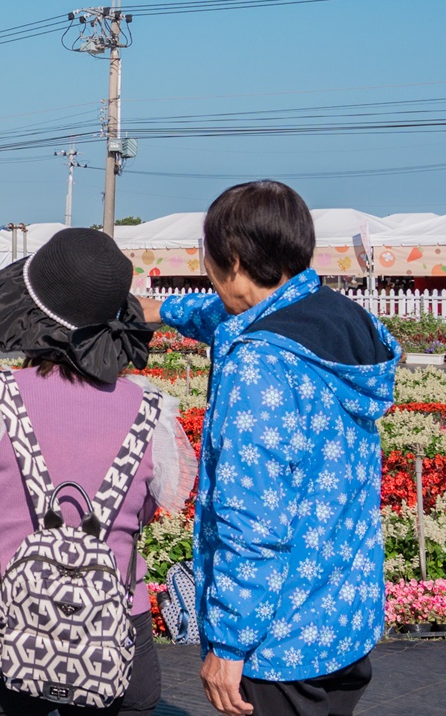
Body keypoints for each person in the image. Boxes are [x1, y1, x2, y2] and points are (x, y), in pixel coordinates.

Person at [140, 181, 396, 716]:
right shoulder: (342, 319)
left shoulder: (258, 365)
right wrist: (158, 310)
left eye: (206, 257)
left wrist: (230, 644)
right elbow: (235, 313)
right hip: (344, 618)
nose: (205, 270)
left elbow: (251, 515)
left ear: (231, 258)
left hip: (279, 642)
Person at [0, 228, 194, 716]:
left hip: (12, 626)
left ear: (30, 308)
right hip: (115, 630)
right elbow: (149, 512)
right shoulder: (152, 411)